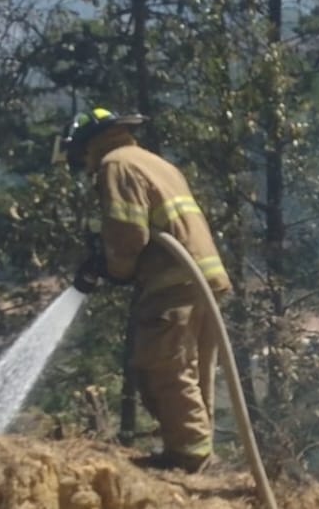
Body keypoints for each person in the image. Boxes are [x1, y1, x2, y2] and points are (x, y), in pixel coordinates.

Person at [61, 107, 233, 474]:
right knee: (191, 371)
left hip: (172, 279)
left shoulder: (115, 165)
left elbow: (127, 232)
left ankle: (188, 458)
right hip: (203, 278)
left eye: (81, 156)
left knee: (162, 368)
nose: (84, 164)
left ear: (90, 144)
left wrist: (111, 267)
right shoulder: (154, 162)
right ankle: (196, 455)